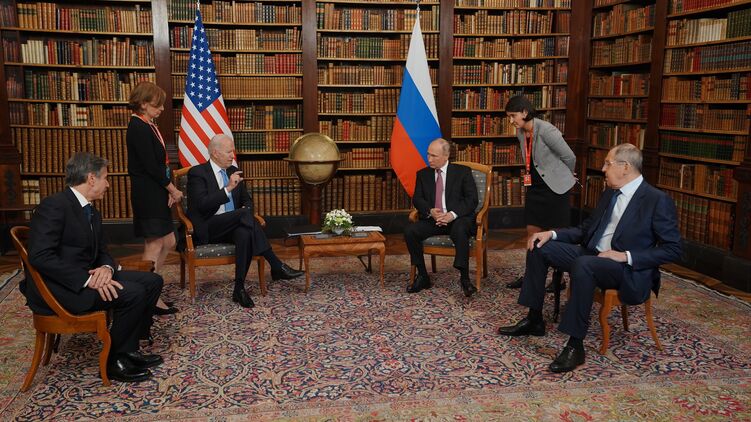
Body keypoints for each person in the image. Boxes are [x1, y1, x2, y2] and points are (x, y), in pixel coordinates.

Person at [497, 143, 681, 373]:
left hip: (625, 269)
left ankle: (575, 346)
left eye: (607, 164)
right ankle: (535, 319)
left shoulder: (656, 200)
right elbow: (585, 230)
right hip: (592, 254)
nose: (603, 169)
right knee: (539, 246)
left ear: (625, 167)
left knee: (584, 265)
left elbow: (673, 249)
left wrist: (624, 256)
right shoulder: (610, 192)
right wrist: (551, 234)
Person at [21, 152, 164, 383]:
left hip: (85, 278)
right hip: (60, 289)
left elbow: (102, 252)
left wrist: (106, 269)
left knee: (152, 281)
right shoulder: (54, 205)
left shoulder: (92, 211)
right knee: (134, 293)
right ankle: (113, 361)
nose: (108, 184)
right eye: (105, 178)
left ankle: (129, 349)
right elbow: (40, 256)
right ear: (91, 178)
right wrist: (88, 281)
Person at [186, 134, 303, 308]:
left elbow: (247, 201)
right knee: (243, 215)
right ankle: (276, 265)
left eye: (232, 151)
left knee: (245, 232)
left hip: (233, 226)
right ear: (215, 153)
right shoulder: (198, 173)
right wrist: (228, 189)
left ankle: (239, 288)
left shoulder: (233, 171)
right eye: (228, 152)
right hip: (209, 226)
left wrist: (245, 211)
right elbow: (202, 205)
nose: (232, 155)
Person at [504, 95, 577, 290]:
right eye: (509, 117)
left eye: (513, 116)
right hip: (535, 188)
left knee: (555, 234)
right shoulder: (521, 132)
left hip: (555, 189)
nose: (511, 121)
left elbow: (569, 157)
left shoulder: (547, 130)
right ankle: (531, 275)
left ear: (524, 112)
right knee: (532, 232)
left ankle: (559, 279)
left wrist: (565, 174)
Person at [126, 81, 183, 315]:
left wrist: (166, 189)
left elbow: (160, 164)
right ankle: (146, 296)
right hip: (147, 194)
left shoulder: (148, 125)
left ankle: (151, 288)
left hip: (156, 191)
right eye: (157, 104)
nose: (161, 108)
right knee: (154, 244)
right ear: (142, 103)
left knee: (169, 242)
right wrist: (172, 189)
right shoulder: (137, 127)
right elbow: (151, 166)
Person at [404, 138, 479, 297]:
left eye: (434, 156)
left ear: (446, 156)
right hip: (433, 220)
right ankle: (423, 276)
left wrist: (452, 215)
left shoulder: (462, 172)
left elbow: (472, 200)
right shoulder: (423, 174)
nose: (429, 159)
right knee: (410, 231)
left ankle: (465, 279)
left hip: (457, 219)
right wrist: (430, 211)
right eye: (428, 155)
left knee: (460, 229)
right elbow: (417, 199)